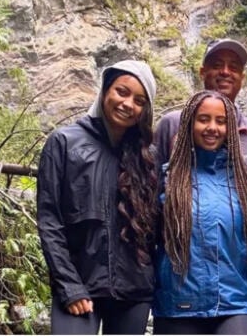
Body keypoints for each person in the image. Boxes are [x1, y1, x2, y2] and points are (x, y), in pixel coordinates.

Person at [37, 60, 159, 334]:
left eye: (139, 100)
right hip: (79, 281)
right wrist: (68, 284)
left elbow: (156, 227)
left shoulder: (147, 157)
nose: (128, 104)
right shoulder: (64, 143)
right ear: (105, 91)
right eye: (122, 92)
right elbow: (49, 220)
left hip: (134, 291)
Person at [153, 90, 247, 334]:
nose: (212, 127)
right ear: (189, 124)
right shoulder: (167, 179)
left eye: (221, 121)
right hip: (178, 304)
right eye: (203, 119)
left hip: (237, 303)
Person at [154, 38, 247, 177]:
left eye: (233, 68)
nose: (225, 72)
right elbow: (151, 182)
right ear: (202, 72)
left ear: (242, 78)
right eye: (217, 65)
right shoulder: (172, 125)